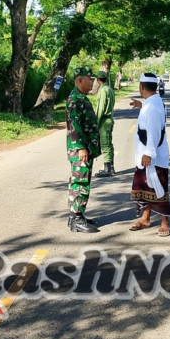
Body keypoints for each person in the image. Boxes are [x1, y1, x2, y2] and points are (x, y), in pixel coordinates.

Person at [129, 72, 170, 237]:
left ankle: (165, 222)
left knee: (159, 189)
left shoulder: (153, 107)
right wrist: (142, 106)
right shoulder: (152, 103)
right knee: (147, 189)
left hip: (153, 156)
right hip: (145, 155)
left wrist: (149, 153)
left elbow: (153, 131)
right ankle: (145, 218)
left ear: (141, 87)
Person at [66, 66, 102, 233]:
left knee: (82, 180)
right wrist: (80, 147)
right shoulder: (75, 99)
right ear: (79, 81)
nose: (92, 82)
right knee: (80, 181)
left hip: (86, 147)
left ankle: (76, 215)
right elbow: (74, 125)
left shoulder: (81, 97)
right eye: (89, 79)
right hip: (80, 148)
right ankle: (76, 219)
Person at [93, 70, 117, 178]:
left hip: (103, 120)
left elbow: (101, 108)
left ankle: (107, 169)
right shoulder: (110, 89)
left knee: (105, 144)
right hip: (109, 119)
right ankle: (111, 167)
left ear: (98, 80)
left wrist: (96, 122)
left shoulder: (103, 90)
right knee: (109, 143)